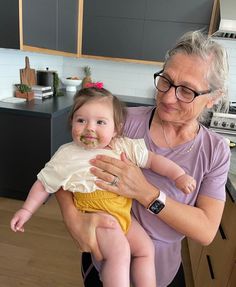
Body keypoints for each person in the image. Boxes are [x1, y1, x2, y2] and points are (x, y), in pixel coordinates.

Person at [55, 30, 231, 287]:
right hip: (104, 262)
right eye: (166, 81)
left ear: (212, 99)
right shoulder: (122, 122)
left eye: (187, 91)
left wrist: (147, 193)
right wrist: (73, 219)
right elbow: (63, 167)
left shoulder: (215, 150)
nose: (169, 97)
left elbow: (205, 231)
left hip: (164, 271)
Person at [10, 86, 196, 287]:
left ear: (115, 129)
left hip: (124, 215)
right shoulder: (67, 154)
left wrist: (178, 175)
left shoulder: (122, 146)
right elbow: (44, 184)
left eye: (100, 122)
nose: (90, 128)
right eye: (81, 120)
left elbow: (153, 160)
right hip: (98, 216)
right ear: (71, 122)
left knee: (145, 250)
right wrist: (26, 209)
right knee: (120, 252)